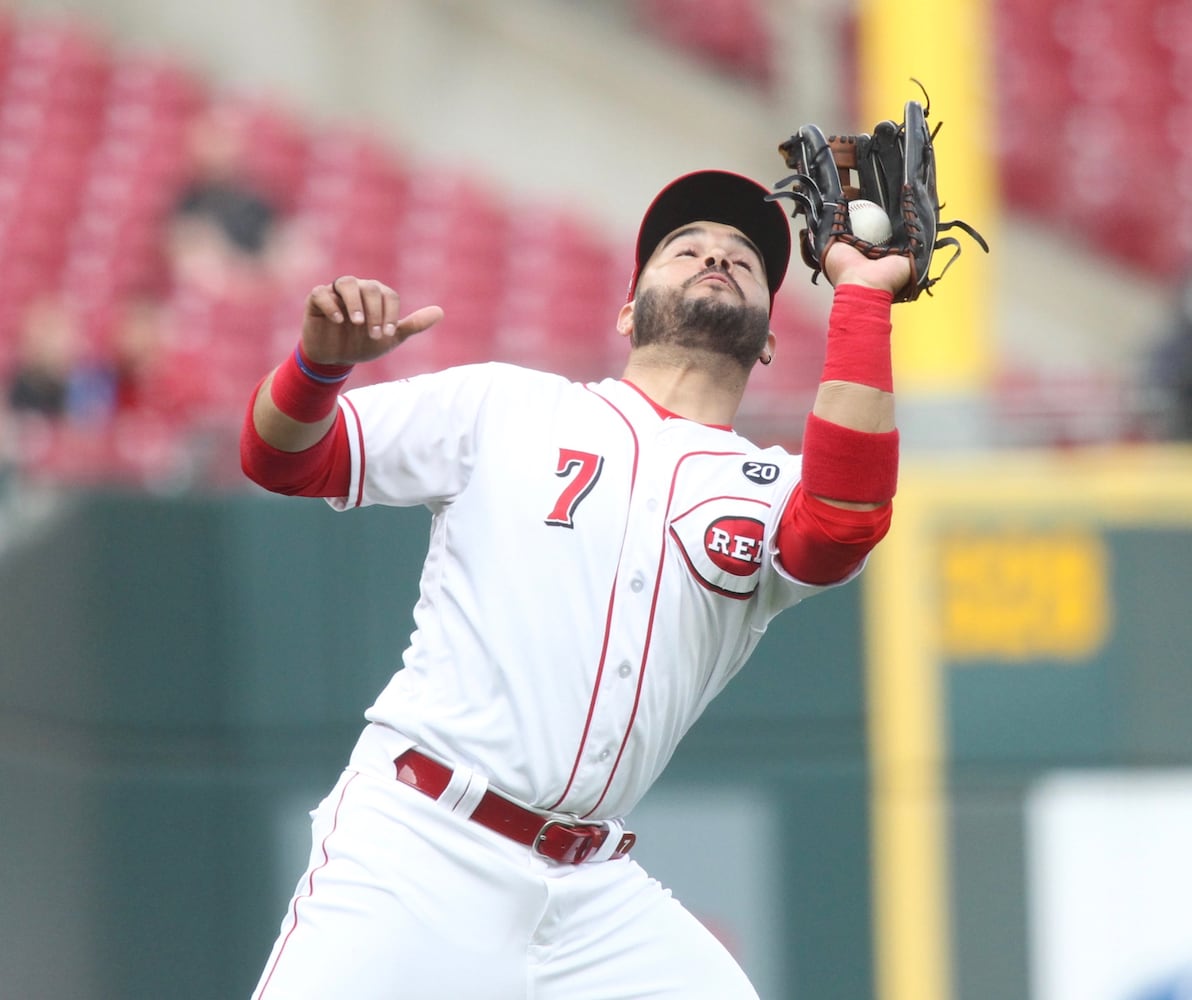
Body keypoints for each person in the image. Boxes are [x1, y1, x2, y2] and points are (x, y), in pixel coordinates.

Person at [240, 169, 910, 998]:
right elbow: (285, 457)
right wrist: (317, 365)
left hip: (593, 893)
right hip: (418, 844)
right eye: (684, 246)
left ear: (771, 335)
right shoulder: (506, 405)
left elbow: (844, 522)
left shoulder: (771, 490)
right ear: (629, 310)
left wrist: (863, 297)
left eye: (744, 255)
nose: (716, 254)